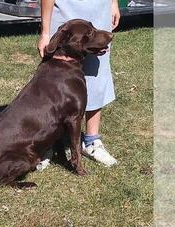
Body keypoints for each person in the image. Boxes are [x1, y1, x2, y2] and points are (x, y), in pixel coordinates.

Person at [37, 0, 121, 167]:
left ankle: (92, 141)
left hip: (99, 11)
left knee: (97, 73)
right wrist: (45, 32)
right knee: (55, 82)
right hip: (65, 13)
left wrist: (113, 3)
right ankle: (49, 143)